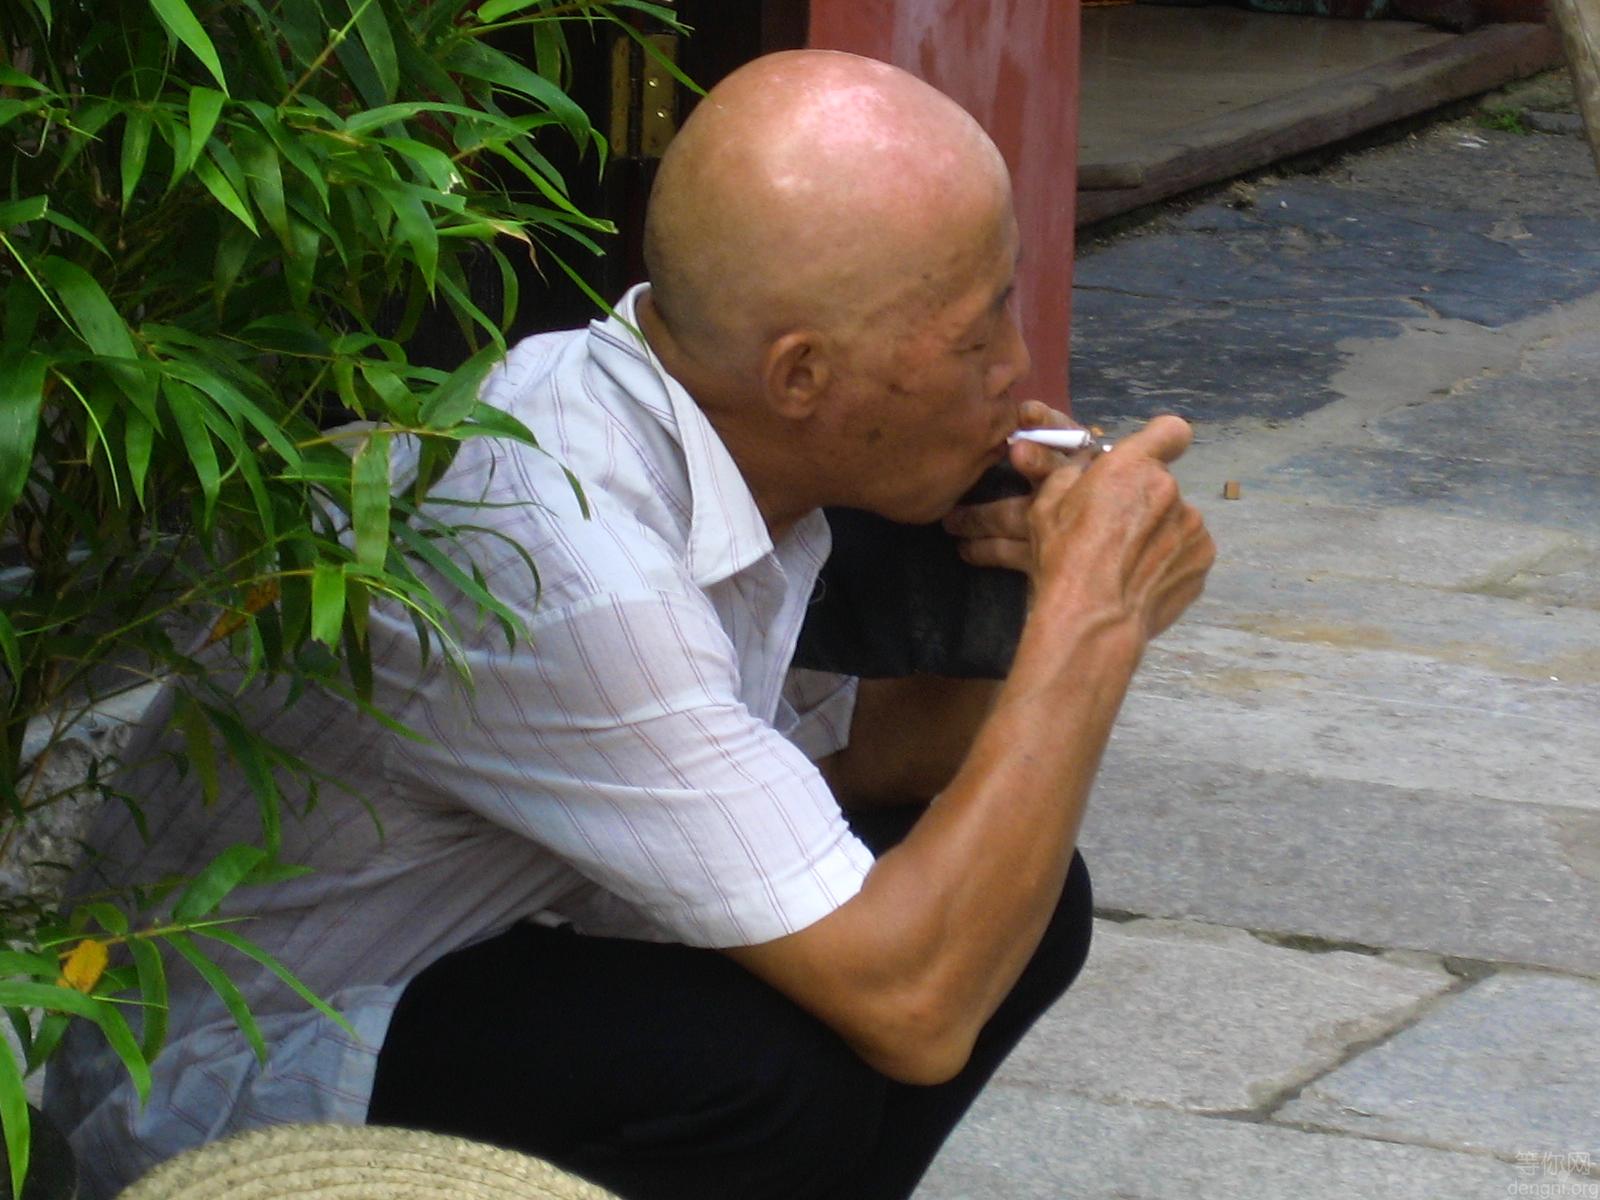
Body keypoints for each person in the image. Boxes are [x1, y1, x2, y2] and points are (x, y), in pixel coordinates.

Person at [47, 49, 1214, 1200]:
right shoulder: (572, 561)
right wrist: (1091, 619)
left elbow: (888, 766)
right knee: (771, 1069)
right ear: (801, 376)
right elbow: (914, 1004)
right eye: (978, 333)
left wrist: (1022, 593)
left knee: (1024, 909)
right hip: (224, 1073)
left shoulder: (705, 433)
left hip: (471, 966)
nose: (1018, 367)